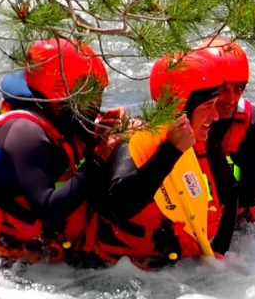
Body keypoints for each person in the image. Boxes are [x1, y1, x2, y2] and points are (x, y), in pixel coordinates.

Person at [0, 38, 113, 263]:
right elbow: (49, 210)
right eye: (91, 97)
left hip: (44, 255)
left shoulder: (59, 116)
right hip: (4, 263)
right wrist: (98, 160)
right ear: (61, 95)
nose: (98, 103)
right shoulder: (25, 133)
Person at [89, 52, 239, 267]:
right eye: (207, 106)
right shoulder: (133, 140)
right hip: (119, 269)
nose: (215, 116)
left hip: (178, 264)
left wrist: (220, 250)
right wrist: (171, 150)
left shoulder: (204, 139)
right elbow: (119, 205)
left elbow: (230, 191)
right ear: (182, 108)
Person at [198, 38, 255, 225]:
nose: (231, 99)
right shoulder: (181, 121)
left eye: (239, 89)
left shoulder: (253, 121)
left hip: (235, 224)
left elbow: (254, 194)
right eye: (223, 89)